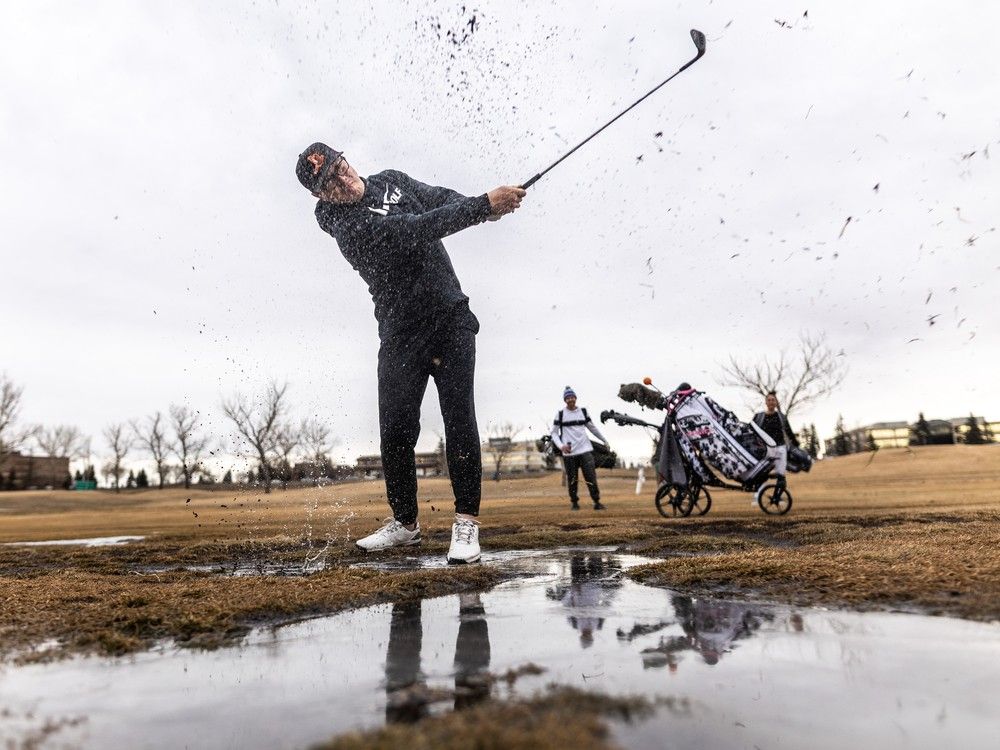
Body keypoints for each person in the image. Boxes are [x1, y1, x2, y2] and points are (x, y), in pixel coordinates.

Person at [296, 142, 526, 563]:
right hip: (402, 332)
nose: (343, 180)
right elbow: (414, 229)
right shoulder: (344, 226)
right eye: (330, 182)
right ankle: (405, 524)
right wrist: (479, 207)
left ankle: (466, 523)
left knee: (460, 418)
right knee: (396, 429)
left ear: (346, 160)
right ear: (320, 195)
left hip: (450, 318)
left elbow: (437, 199)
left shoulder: (393, 181)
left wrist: (488, 209)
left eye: (340, 167)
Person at [550, 386, 612, 511]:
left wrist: (603, 440)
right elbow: (554, 433)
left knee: (591, 477)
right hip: (569, 453)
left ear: (576, 398)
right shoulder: (560, 414)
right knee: (572, 479)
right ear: (565, 400)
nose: (570, 400)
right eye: (568, 398)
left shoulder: (583, 412)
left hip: (585, 450)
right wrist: (561, 446)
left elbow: (592, 428)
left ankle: (597, 502)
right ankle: (574, 503)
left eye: (572, 397)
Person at [752, 391, 799, 495]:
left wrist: (797, 446)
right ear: (766, 402)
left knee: (781, 476)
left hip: (780, 448)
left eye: (773, 400)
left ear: (776, 402)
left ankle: (777, 497)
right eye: (769, 400)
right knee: (759, 474)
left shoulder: (782, 417)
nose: (771, 402)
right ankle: (759, 496)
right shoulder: (758, 417)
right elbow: (752, 431)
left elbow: (789, 432)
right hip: (765, 450)